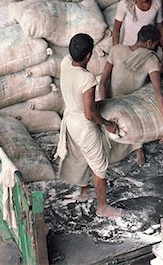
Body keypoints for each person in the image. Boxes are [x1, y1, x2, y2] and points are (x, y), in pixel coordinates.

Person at [55, 33, 123, 218]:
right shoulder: (87, 78)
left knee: (81, 157)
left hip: (70, 121)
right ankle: (102, 208)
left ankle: (84, 191)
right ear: (88, 55)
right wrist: (107, 124)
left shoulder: (65, 62)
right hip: (84, 127)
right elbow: (90, 113)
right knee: (99, 167)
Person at [99, 24, 163, 165]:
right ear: (149, 43)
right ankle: (138, 150)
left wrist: (105, 107)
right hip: (133, 109)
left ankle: (134, 149)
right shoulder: (151, 59)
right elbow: (158, 92)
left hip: (113, 103)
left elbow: (102, 83)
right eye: (155, 45)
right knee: (142, 113)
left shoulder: (117, 49)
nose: (155, 49)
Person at [112, 0, 163, 76]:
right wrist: (115, 52)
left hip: (149, 51)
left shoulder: (157, 3)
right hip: (129, 50)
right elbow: (116, 29)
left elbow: (160, 28)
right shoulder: (125, 4)